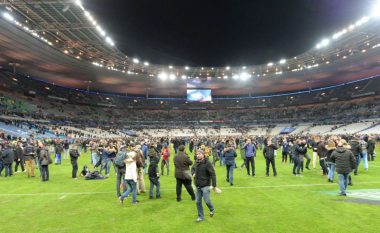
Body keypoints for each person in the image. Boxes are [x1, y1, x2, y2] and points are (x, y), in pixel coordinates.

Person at [192, 149, 217, 222]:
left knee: (207, 201)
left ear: (203, 155)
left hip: (205, 185)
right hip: (198, 185)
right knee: (197, 201)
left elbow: (213, 174)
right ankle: (200, 216)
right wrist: (193, 173)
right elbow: (192, 169)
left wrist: (214, 185)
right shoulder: (196, 162)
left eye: (199, 154)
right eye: (197, 154)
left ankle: (211, 209)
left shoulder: (207, 163)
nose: (198, 155)